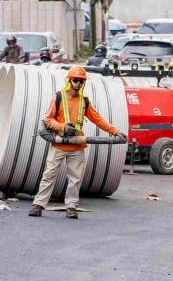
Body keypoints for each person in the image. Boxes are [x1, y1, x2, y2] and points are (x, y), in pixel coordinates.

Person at [28, 66, 126, 219]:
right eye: (76, 80)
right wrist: (62, 127)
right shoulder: (59, 97)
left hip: (77, 146)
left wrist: (115, 131)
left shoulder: (84, 101)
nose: (78, 84)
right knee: (49, 176)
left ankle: (71, 207)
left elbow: (97, 119)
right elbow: (48, 119)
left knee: (75, 178)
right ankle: (38, 205)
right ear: (70, 81)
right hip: (59, 144)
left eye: (81, 81)